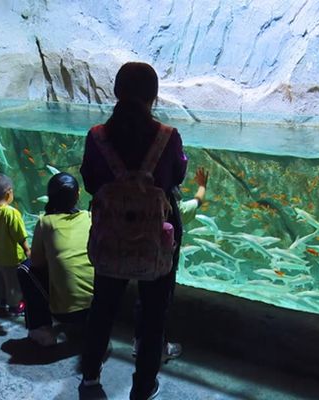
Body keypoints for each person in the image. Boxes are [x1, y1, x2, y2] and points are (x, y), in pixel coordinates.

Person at [79, 62, 187, 400]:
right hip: (158, 232)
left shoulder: (97, 136)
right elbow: (177, 176)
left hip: (111, 230)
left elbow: (90, 180)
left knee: (103, 305)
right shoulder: (167, 137)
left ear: (116, 92)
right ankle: (143, 387)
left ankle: (91, 376)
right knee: (155, 312)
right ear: (154, 96)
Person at [132, 166, 209, 360]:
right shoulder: (177, 209)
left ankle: (138, 342)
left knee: (143, 300)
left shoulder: (138, 202)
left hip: (140, 263)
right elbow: (198, 201)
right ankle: (158, 349)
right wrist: (202, 185)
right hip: (164, 267)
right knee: (160, 305)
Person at [17, 173, 94, 347]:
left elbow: (36, 263)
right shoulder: (89, 217)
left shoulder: (46, 222)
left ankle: (41, 330)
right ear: (78, 194)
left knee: (25, 268)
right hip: (99, 308)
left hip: (67, 313)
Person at [0, 173, 30, 316]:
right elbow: (20, 235)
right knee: (14, 285)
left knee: (2, 281)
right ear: (8, 193)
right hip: (12, 258)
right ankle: (15, 307)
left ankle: (3, 301)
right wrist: (27, 250)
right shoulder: (12, 214)